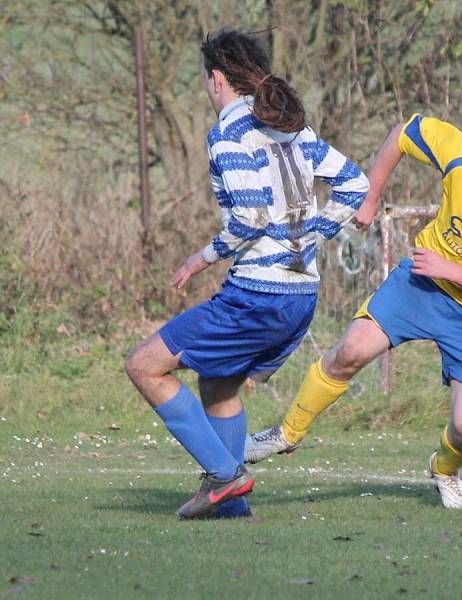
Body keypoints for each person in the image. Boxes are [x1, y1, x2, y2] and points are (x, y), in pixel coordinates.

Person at [244, 113, 462, 509]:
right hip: (421, 286)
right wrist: (372, 196)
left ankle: (445, 470)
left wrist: (451, 269)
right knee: (350, 351)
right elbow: (405, 131)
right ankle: (287, 433)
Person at [124, 29, 369, 520]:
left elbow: (251, 218)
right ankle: (232, 512)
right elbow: (356, 184)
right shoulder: (292, 129)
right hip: (301, 294)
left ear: (216, 80)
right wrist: (313, 235)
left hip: (258, 293)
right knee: (219, 383)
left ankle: (224, 477)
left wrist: (201, 258)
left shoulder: (228, 134)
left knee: (145, 365)